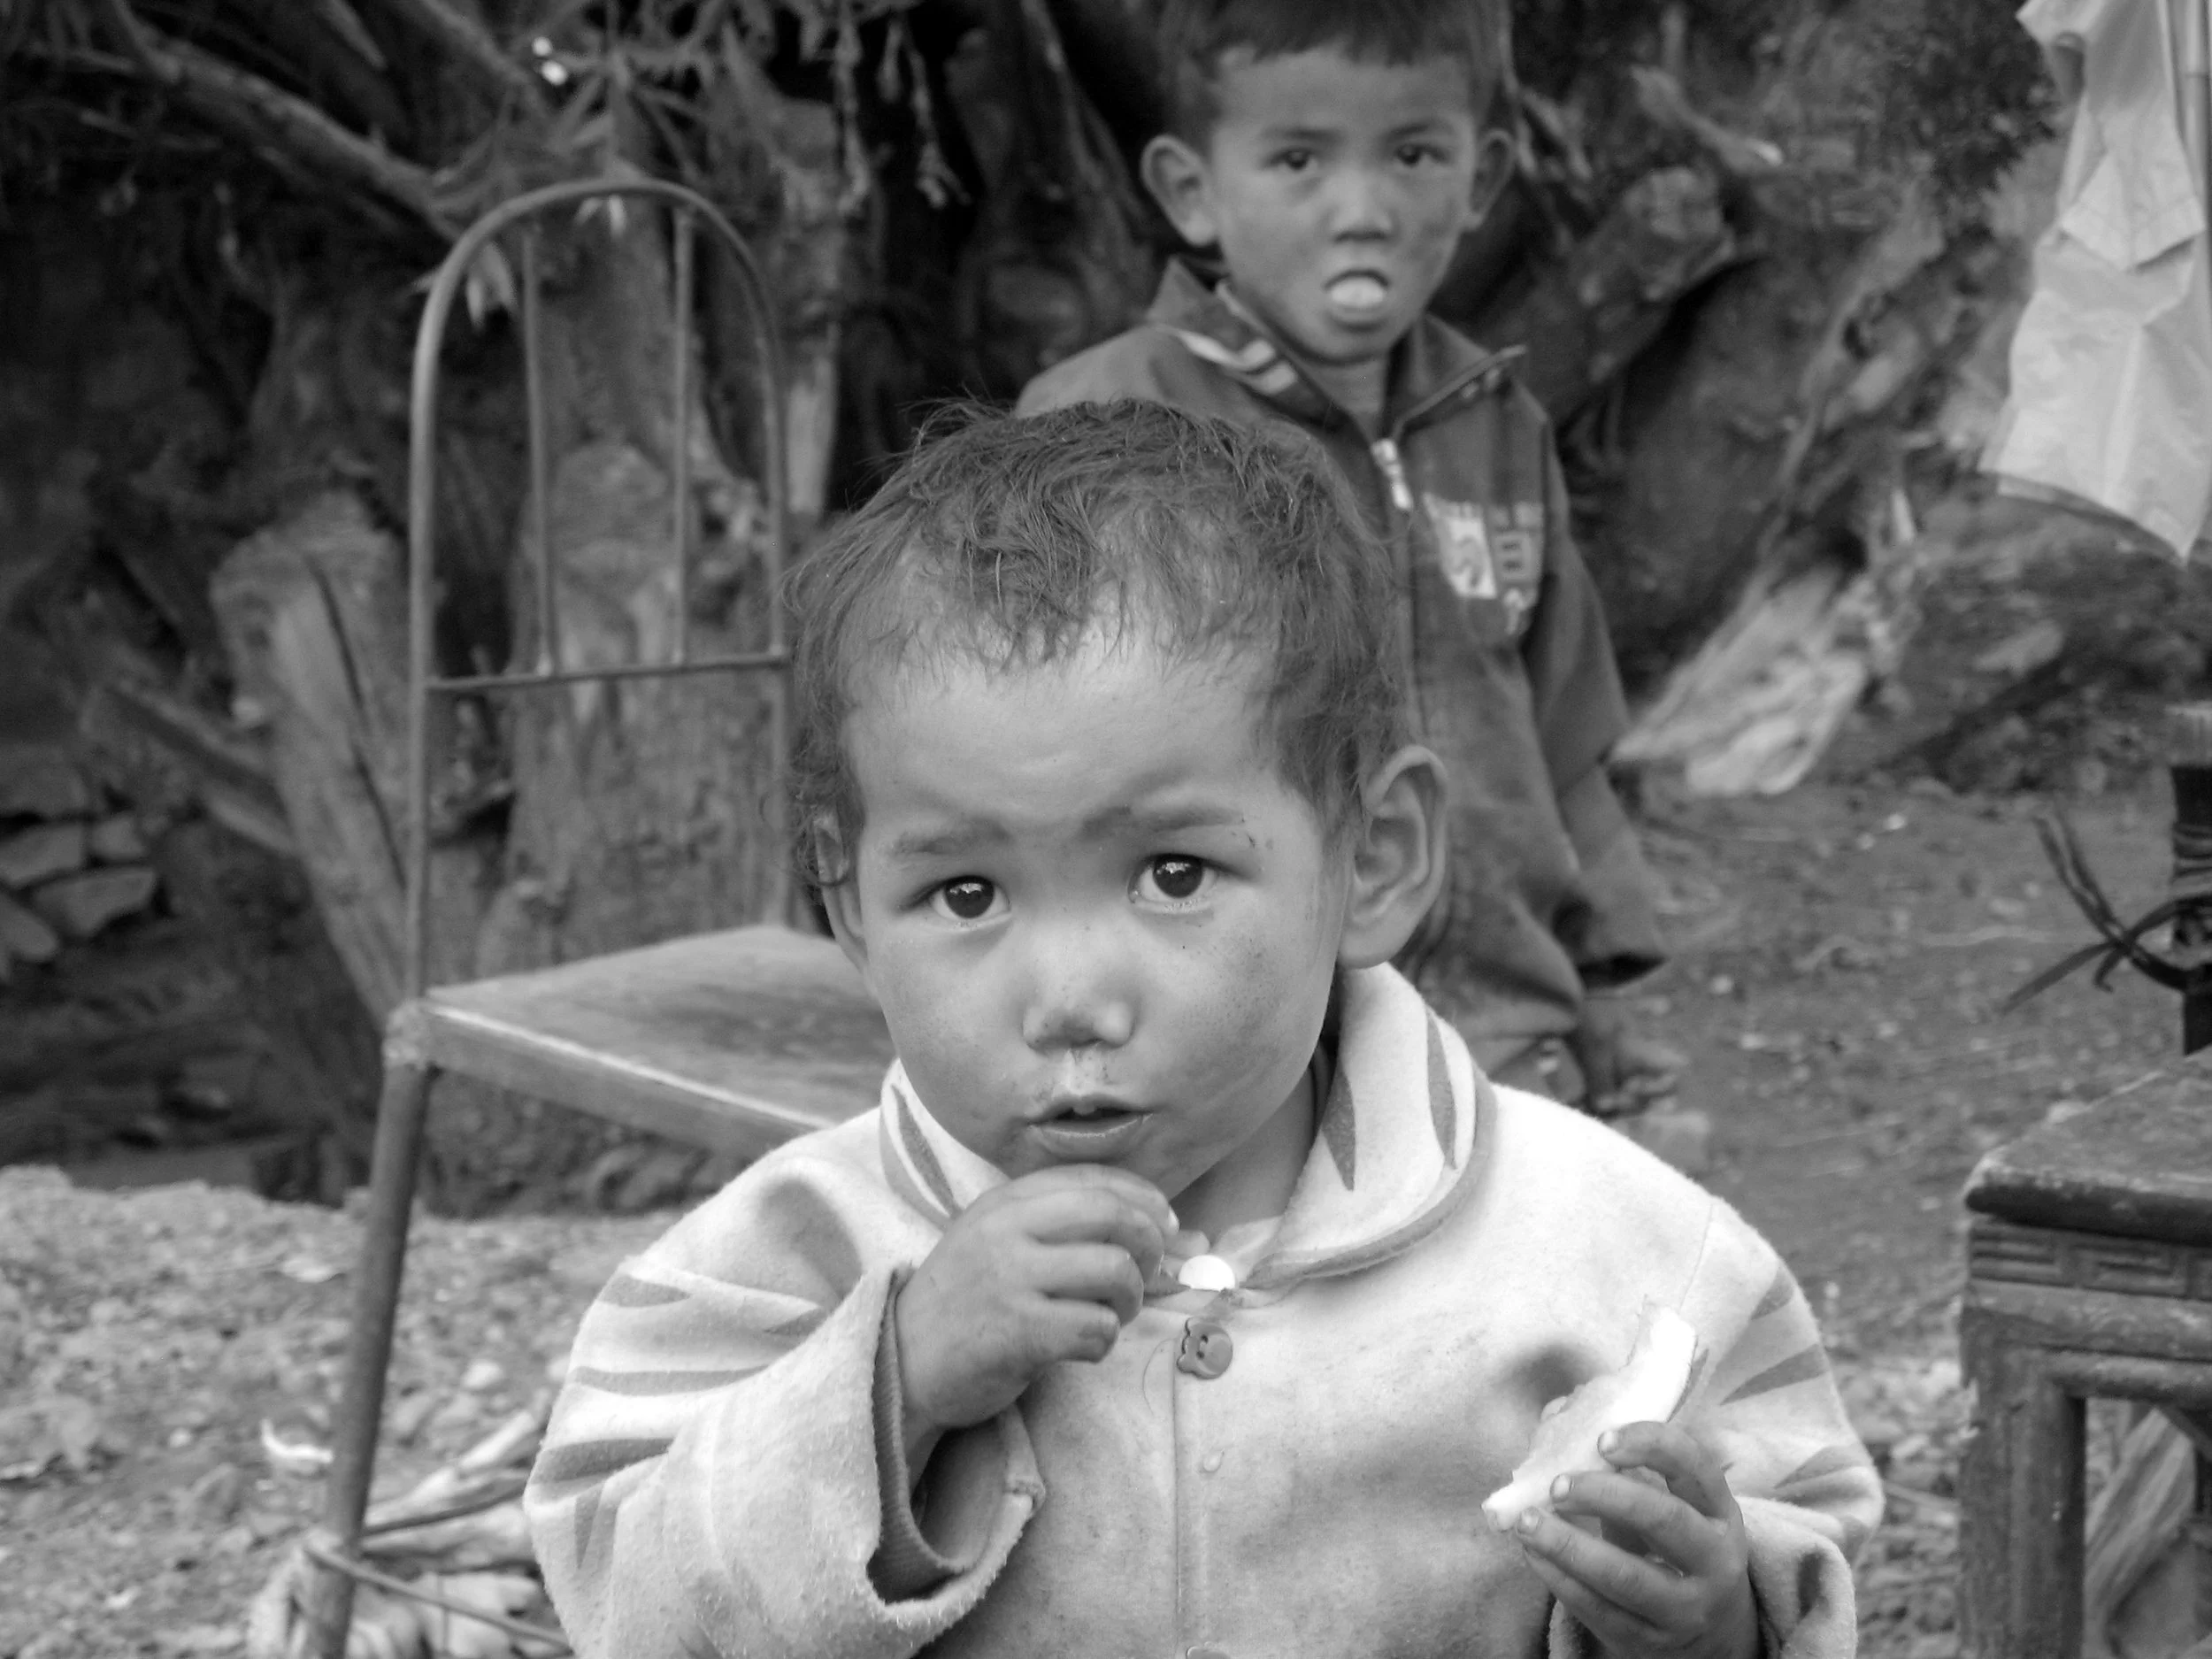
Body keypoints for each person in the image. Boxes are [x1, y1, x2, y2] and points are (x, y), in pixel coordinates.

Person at [525, 404, 1877, 1659]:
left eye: (1173, 872)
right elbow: (621, 1591)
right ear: (849, 905)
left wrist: (1711, 1614)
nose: (1067, 996)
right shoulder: (784, 1258)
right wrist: (890, 1384)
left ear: (1374, 858)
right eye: (966, 892)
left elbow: (1803, 1525)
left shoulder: (1612, 1250)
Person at [1018, 0, 1679, 1114]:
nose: (1362, 211)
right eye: (1296, 159)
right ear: (1192, 189)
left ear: (1482, 177)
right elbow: (1037, 762)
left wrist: (1599, 985)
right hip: (1237, 1057)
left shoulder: (1498, 424)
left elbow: (1563, 737)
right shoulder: (1110, 418)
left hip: (1503, 1048)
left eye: (1414, 153)